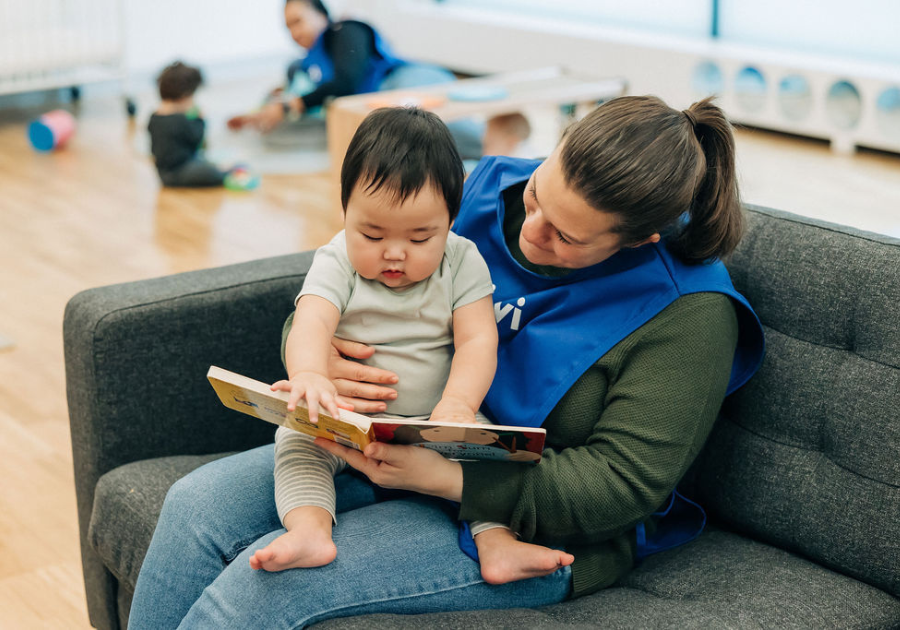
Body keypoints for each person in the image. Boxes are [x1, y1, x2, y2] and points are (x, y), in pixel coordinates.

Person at [129, 95, 765, 628]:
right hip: (383, 436)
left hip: (526, 512)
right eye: (539, 193)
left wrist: (437, 477)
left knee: (264, 589)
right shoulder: (488, 187)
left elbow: (619, 486)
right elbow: (352, 278)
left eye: (565, 236)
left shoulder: (689, 312)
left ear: (638, 239)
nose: (529, 230)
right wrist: (316, 350)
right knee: (194, 508)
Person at [248, 107, 574, 582]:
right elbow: (311, 322)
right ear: (346, 212)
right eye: (372, 233)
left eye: (421, 237)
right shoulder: (336, 257)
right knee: (296, 441)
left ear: (450, 221)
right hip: (349, 420)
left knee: (488, 458)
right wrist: (310, 376)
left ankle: (498, 544)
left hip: (434, 420)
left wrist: (459, 406)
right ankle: (309, 530)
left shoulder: (462, 261)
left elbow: (479, 339)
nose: (395, 252)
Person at [226, 0, 528, 159]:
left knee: (444, 134)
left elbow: (346, 81)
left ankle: (506, 139)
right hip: (379, 107)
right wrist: (261, 112)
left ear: (322, 15)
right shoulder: (302, 65)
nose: (294, 32)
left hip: (405, 83)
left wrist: (291, 105)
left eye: (298, 21)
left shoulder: (344, 31)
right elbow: (302, 97)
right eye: (287, 27)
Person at [148, 61, 258, 190]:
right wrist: (200, 120)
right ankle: (226, 173)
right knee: (209, 171)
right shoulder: (180, 120)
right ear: (185, 95)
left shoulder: (154, 117)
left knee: (204, 164)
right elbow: (197, 139)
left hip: (164, 172)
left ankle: (222, 169)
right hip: (179, 172)